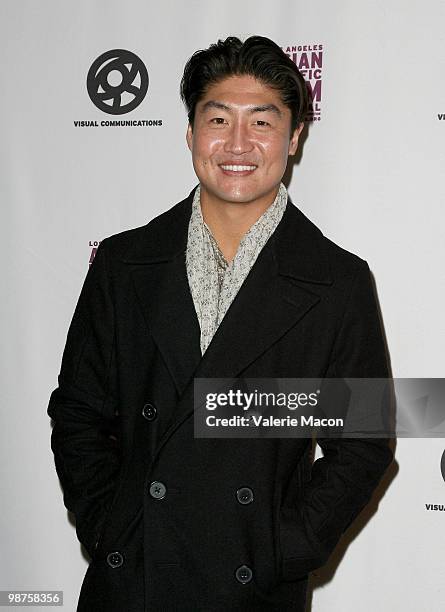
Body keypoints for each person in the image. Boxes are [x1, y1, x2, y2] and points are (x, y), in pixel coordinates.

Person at [47, 35, 393, 612]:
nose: (238, 144)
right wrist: (113, 527)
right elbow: (79, 414)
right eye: (218, 119)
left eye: (262, 122)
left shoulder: (337, 282)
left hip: (251, 588)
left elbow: (362, 444)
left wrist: (283, 548)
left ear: (294, 137)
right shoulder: (124, 263)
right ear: (190, 134)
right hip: (133, 581)